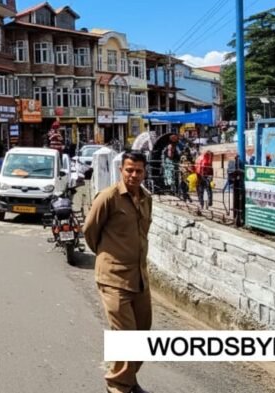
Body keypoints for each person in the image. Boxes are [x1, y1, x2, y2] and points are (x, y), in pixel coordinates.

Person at [82, 152, 153, 393]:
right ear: (121, 170)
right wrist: (108, 257)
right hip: (113, 279)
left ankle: (128, 380)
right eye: (129, 170)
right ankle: (118, 386)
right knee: (125, 337)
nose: (134, 175)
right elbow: (90, 232)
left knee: (142, 336)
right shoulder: (108, 198)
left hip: (140, 278)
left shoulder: (146, 198)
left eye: (139, 171)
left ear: (144, 172)